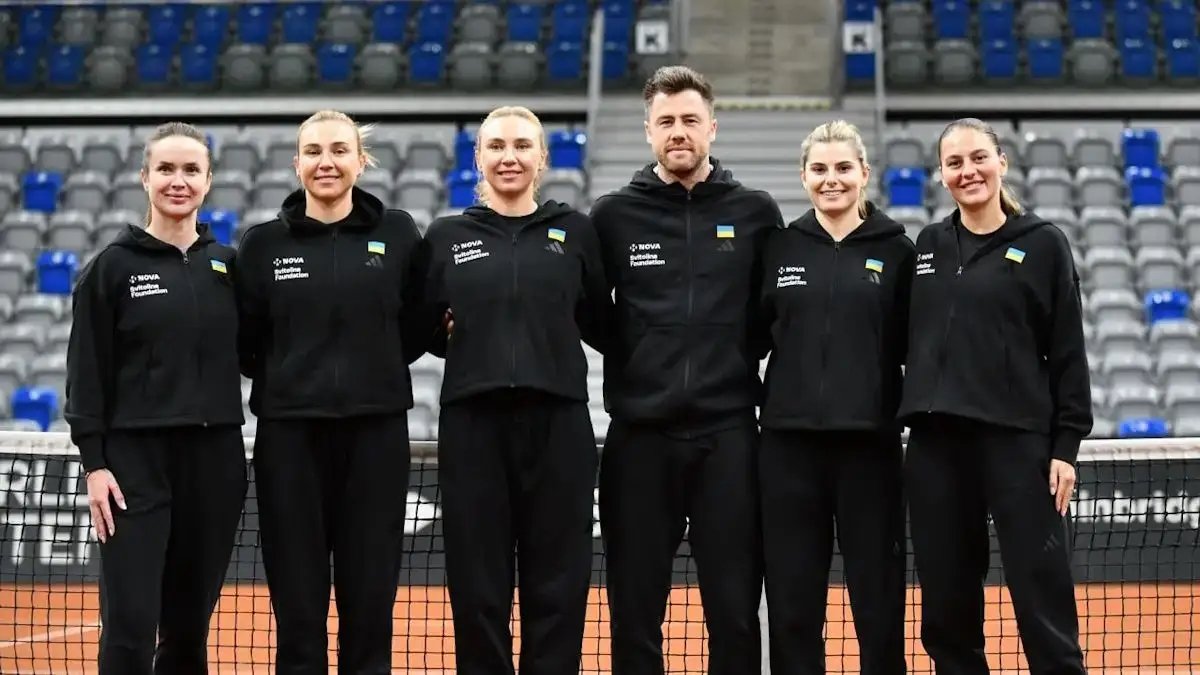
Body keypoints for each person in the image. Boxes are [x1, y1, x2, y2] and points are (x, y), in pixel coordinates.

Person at [590, 65, 783, 675]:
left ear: (712, 128)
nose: (679, 131)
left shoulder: (755, 212)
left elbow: (771, 311)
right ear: (649, 130)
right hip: (640, 438)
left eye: (690, 120)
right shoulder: (612, 215)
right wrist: (641, 355)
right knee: (635, 608)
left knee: (734, 608)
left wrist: (731, 355)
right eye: (666, 121)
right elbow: (590, 311)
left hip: (729, 437)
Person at [418, 105, 611, 675]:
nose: (510, 157)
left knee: (560, 583)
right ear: (478, 158)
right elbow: (421, 327)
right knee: (478, 585)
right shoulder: (446, 236)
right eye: (496, 146)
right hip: (472, 428)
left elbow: (601, 321)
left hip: (559, 427)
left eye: (523, 146)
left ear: (542, 158)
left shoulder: (577, 232)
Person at [234, 110, 427, 674]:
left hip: (377, 437)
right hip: (289, 441)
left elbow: (416, 327)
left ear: (360, 161)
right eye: (314, 152)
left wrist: (374, 369)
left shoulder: (399, 234)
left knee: (370, 601)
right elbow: (245, 343)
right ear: (296, 164)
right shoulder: (262, 245)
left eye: (340, 150)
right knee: (297, 605)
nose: (327, 162)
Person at [899, 117, 1092, 674]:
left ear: (1001, 162)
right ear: (941, 174)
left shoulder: (1044, 243)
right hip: (937, 447)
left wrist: (1066, 446)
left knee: (1041, 592)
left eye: (978, 157)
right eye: (954, 162)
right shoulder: (929, 245)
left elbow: (1068, 350)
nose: (968, 171)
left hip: (1018, 445)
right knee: (946, 602)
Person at [65, 122, 247, 674]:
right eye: (165, 168)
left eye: (191, 169)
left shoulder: (229, 267)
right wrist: (95, 464)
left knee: (189, 630)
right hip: (133, 466)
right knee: (131, 624)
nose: (178, 180)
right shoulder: (110, 268)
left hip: (215, 463)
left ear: (208, 181)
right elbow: (86, 374)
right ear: (144, 178)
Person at [758, 120, 912, 674]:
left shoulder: (899, 252)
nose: (832, 180)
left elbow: (914, 346)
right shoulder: (779, 248)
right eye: (819, 169)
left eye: (844, 168)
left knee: (878, 601)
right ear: (803, 176)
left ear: (864, 173)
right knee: (793, 606)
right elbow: (752, 335)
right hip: (787, 451)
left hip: (870, 451)